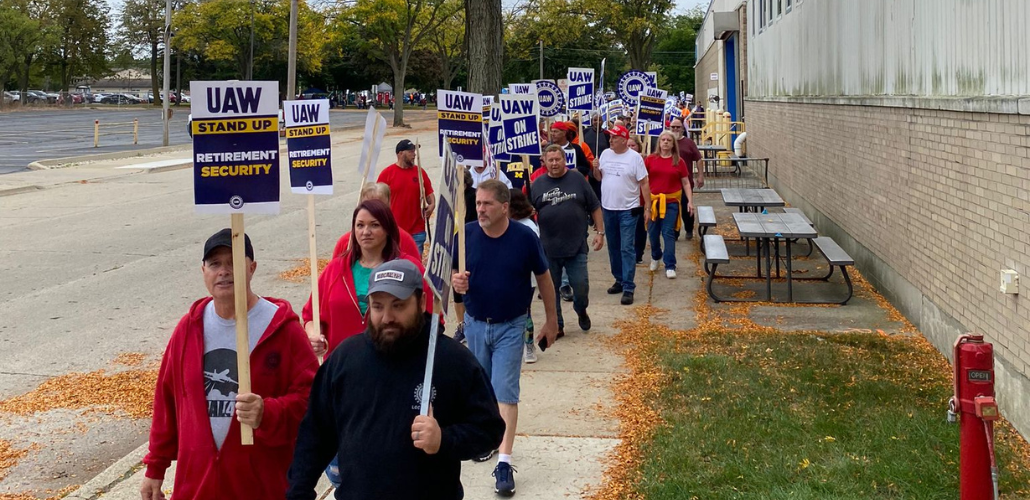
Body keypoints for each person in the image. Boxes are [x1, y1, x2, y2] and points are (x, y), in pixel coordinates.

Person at [287, 259, 506, 500]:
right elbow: (315, 433)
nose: (387, 317)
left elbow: (490, 430)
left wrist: (444, 439)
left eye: (398, 306)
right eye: (378, 306)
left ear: (421, 302)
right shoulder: (345, 359)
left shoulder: (452, 361)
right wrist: (299, 491)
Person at [142, 229, 318, 500]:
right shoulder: (188, 329)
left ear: (252, 268)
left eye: (233, 262)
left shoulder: (283, 330)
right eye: (215, 264)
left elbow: (313, 400)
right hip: (198, 486)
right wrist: (155, 468)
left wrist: (267, 413)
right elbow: (166, 402)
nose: (224, 271)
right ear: (203, 271)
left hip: (260, 486)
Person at [451, 179, 559, 496]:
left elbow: (544, 279)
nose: (480, 209)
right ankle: (485, 439)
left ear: (504, 207)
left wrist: (551, 320)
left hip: (512, 325)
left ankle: (504, 460)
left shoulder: (524, 237)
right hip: (475, 323)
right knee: (481, 390)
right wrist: (456, 285)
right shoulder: (466, 236)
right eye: (478, 204)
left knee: (505, 392)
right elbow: (451, 280)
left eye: (486, 204)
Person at [304, 199, 429, 359]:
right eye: (360, 225)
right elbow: (311, 315)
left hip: (398, 363)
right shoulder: (335, 269)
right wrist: (315, 336)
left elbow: (432, 319)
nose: (366, 231)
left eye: (374, 225)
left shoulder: (410, 268)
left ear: (388, 228)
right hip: (344, 364)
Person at [530, 145, 604, 340]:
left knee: (581, 286)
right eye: (550, 160)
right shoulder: (536, 184)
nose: (554, 163)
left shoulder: (577, 179)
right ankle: (558, 325)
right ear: (544, 162)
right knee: (550, 291)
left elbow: (595, 206)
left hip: (576, 246)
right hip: (548, 249)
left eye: (558, 159)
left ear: (565, 160)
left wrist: (600, 232)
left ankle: (581, 310)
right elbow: (527, 213)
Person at [591, 125, 651, 305]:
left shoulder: (635, 158)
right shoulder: (605, 154)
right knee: (614, 246)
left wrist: (647, 207)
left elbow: (644, 183)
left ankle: (628, 286)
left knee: (627, 247)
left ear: (624, 140)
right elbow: (599, 178)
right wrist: (595, 168)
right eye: (610, 137)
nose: (610, 140)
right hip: (608, 208)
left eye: (614, 137)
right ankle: (619, 278)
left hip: (628, 209)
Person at [645, 130, 695, 279]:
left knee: (668, 233)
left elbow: (685, 182)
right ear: (659, 143)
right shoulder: (650, 159)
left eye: (669, 140)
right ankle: (655, 256)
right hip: (654, 203)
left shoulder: (678, 161)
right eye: (663, 140)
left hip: (671, 203)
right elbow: (643, 181)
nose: (665, 142)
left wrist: (690, 201)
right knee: (653, 233)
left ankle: (670, 265)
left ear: (673, 144)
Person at [332, 183, 419, 259]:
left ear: (388, 206)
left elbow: (416, 274)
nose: (366, 232)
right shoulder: (345, 243)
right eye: (367, 205)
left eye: (378, 206)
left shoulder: (404, 241)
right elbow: (333, 274)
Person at [378, 140, 435, 254]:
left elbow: (429, 193)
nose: (414, 154)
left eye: (414, 151)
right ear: (400, 154)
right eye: (410, 151)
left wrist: (432, 205)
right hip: (394, 230)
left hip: (417, 230)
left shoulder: (419, 172)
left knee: (414, 265)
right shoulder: (387, 174)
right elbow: (377, 199)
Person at [508, 189, 541, 363]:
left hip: (526, 278)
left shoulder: (528, 227)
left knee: (524, 312)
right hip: (506, 277)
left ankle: (528, 345)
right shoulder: (503, 224)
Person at [669, 117, 704, 240]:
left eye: (678, 127)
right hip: (670, 184)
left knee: (686, 208)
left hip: (686, 183)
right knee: (673, 210)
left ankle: (689, 229)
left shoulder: (689, 143)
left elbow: (699, 159)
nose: (675, 129)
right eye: (673, 127)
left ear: (683, 128)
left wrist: (700, 176)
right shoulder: (667, 142)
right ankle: (675, 232)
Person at [627, 137, 648, 264]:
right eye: (628, 145)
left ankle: (638, 254)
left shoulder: (644, 160)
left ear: (639, 147)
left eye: (633, 146)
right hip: (627, 199)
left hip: (640, 198)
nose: (630, 148)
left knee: (640, 228)